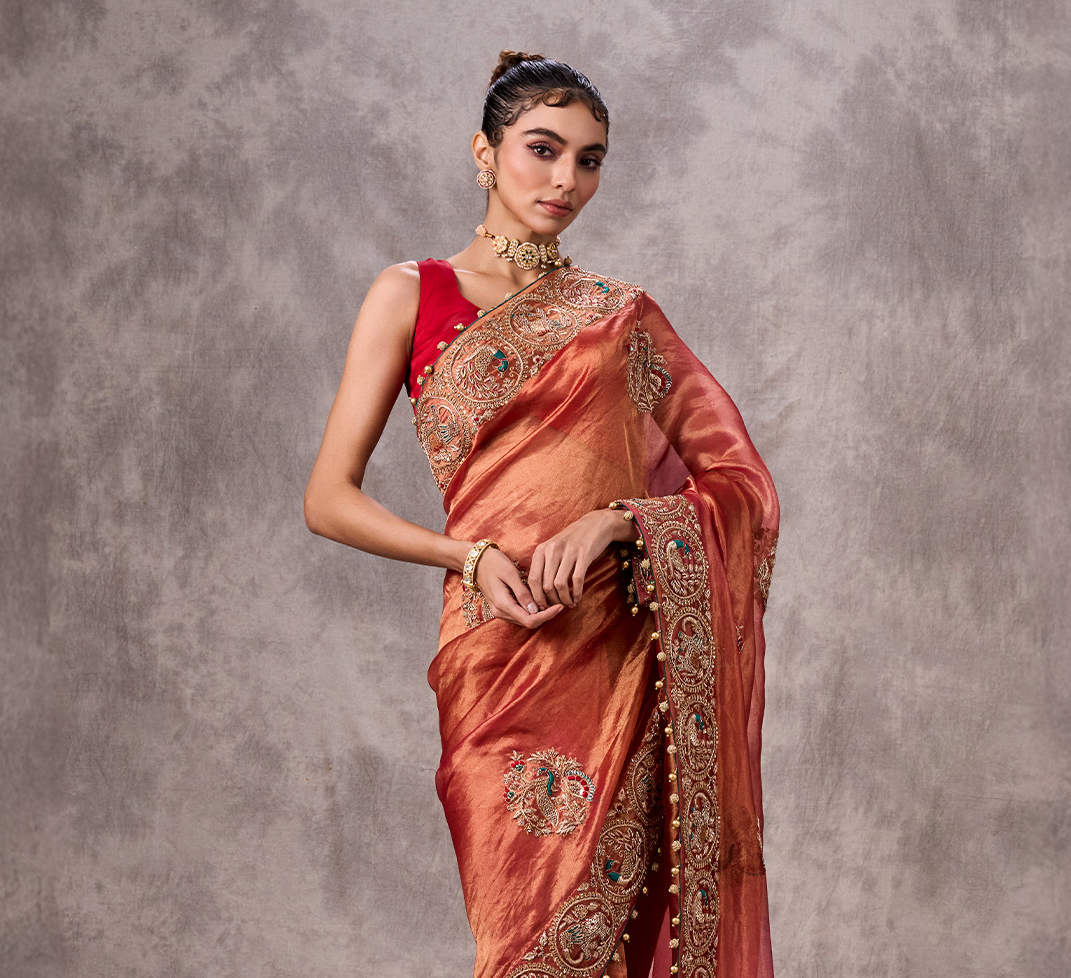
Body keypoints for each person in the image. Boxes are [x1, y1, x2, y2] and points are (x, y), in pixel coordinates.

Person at [304, 50, 780, 978]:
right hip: (494, 653)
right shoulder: (411, 295)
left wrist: (620, 522)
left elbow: (740, 483)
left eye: (590, 159)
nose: (567, 180)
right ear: (484, 154)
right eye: (542, 149)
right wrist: (468, 556)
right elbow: (329, 498)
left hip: (617, 650)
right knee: (520, 939)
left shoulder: (620, 318)